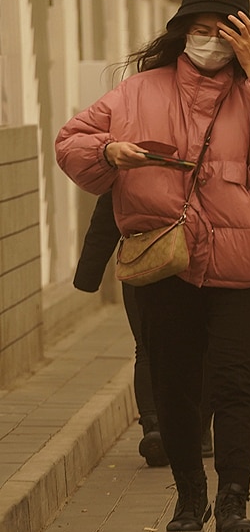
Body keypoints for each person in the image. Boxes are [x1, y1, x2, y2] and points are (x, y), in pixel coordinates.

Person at [55, 0, 250, 532]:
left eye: (224, 32)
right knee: (176, 385)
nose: (210, 42)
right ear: (182, 32)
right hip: (166, 261)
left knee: (235, 383)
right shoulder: (136, 92)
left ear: (245, 37)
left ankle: (233, 505)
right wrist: (108, 151)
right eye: (201, 30)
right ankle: (188, 497)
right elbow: (73, 140)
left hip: (247, 263)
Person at [73, 192, 168, 468]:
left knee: (148, 346)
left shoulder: (130, 150)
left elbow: (109, 207)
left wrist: (88, 273)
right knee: (167, 345)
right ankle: (171, 430)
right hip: (175, 255)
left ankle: (158, 427)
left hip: (142, 255)